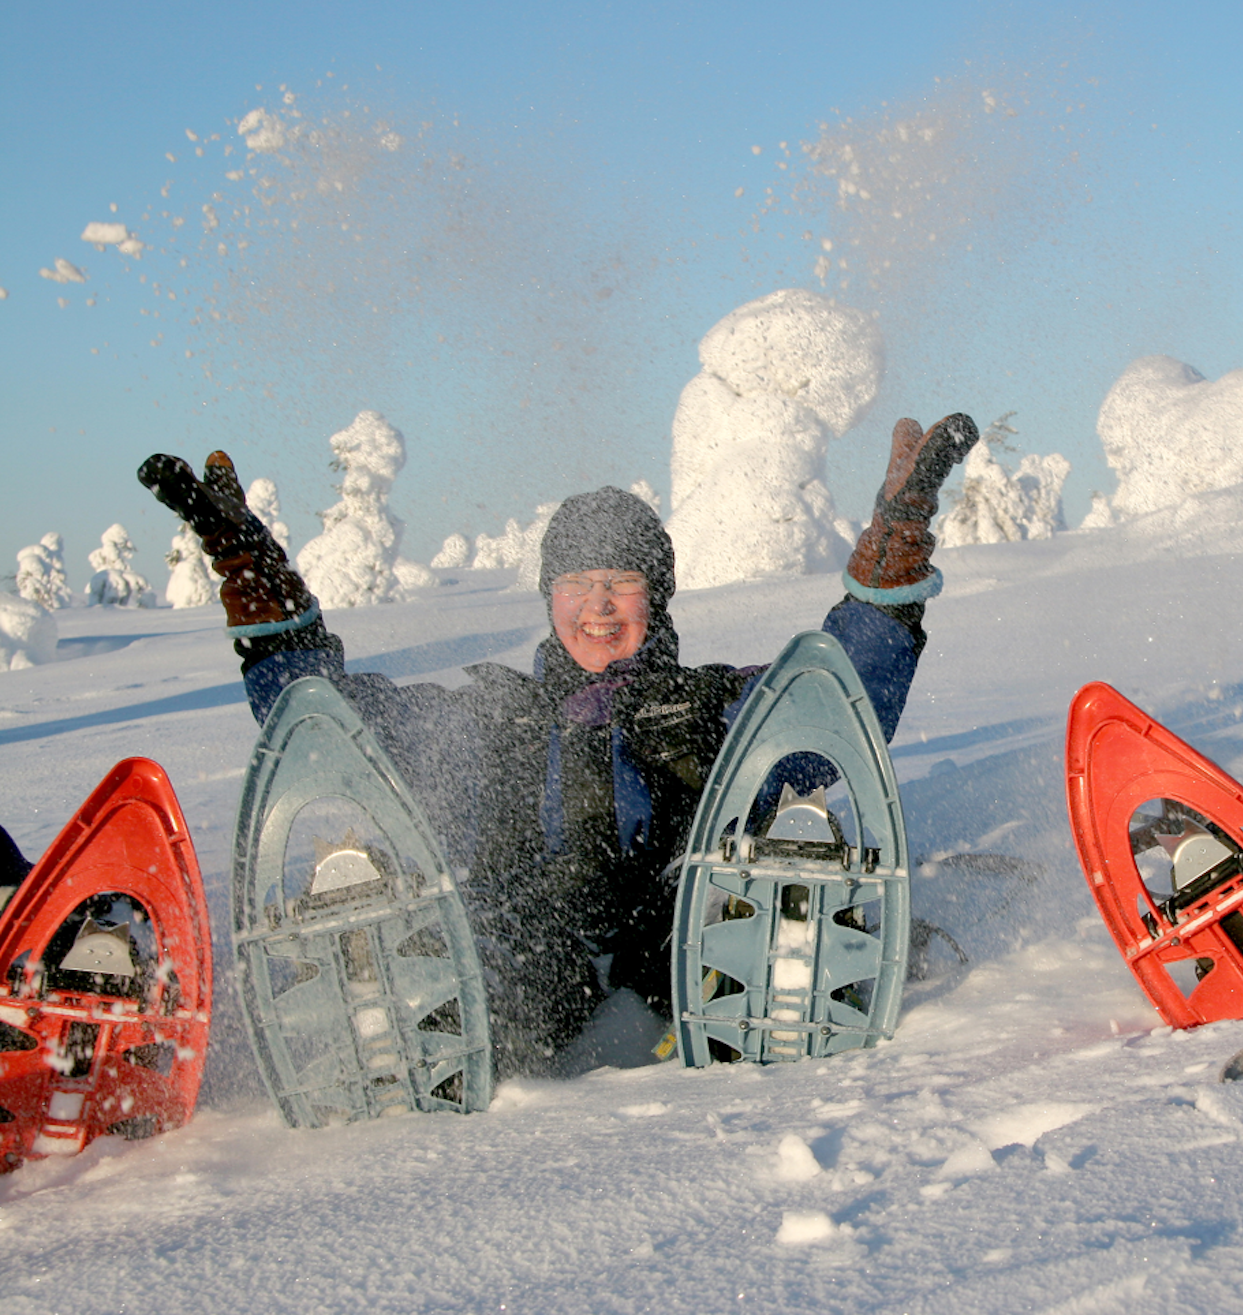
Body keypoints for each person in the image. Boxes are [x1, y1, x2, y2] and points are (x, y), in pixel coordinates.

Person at [140, 414, 977, 1073]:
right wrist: (266, 602)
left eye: (622, 581)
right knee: (481, 929)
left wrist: (887, 584)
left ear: (659, 596)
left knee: (754, 847)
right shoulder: (489, 715)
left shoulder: (720, 701)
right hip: (522, 970)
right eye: (578, 581)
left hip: (684, 951)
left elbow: (834, 707)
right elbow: (328, 725)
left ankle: (782, 944)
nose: (599, 605)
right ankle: (390, 987)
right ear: (548, 596)